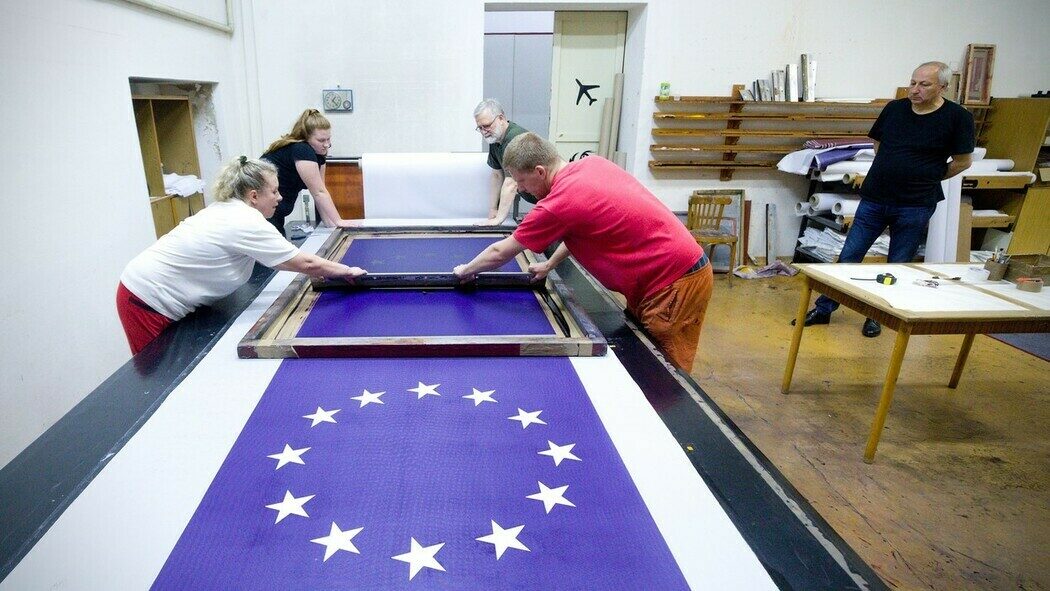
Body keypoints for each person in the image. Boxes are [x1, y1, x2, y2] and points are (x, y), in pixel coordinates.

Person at [452, 133, 713, 372]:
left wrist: (466, 270)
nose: (520, 189)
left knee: (661, 372)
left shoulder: (559, 202)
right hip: (667, 272)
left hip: (673, 282)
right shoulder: (593, 164)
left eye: (521, 181)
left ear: (540, 171)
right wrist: (549, 265)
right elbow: (583, 228)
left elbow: (500, 252)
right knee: (643, 353)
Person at [794, 61, 974, 337]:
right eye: (912, 82)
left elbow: (963, 161)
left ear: (943, 87)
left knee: (896, 265)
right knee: (849, 256)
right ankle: (824, 309)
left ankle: (877, 316)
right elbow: (878, 144)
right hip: (875, 198)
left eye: (924, 85)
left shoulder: (958, 118)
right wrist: (894, 169)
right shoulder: (894, 109)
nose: (914, 89)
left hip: (916, 204)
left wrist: (927, 176)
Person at [117, 157, 366, 354]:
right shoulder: (244, 221)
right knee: (160, 374)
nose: (280, 197)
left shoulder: (230, 210)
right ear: (254, 196)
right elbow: (305, 263)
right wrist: (347, 271)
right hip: (146, 298)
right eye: (274, 192)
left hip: (158, 293)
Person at [261, 109, 353, 236]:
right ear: (306, 138)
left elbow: (321, 191)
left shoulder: (319, 156)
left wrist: (330, 224)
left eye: (328, 139)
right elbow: (319, 193)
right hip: (262, 211)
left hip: (276, 211)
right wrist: (339, 221)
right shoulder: (302, 149)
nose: (326, 145)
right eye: (321, 140)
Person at [474, 99, 534, 225]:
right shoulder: (495, 139)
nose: (484, 132)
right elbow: (497, 175)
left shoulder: (515, 138)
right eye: (480, 128)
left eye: (487, 126)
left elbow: (511, 183)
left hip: (551, 196)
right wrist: (493, 210)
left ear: (501, 118)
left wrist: (498, 220)